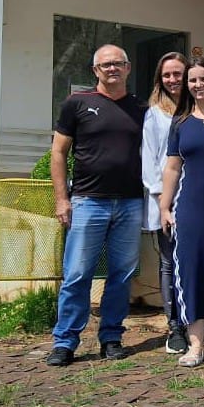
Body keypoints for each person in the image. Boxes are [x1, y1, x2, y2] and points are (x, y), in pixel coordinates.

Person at [46, 45, 147, 367]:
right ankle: (65, 342)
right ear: (95, 71)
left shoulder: (141, 108)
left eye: (118, 63)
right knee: (77, 274)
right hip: (88, 202)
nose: (112, 68)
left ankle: (111, 337)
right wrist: (62, 199)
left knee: (121, 275)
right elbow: (58, 152)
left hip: (130, 202)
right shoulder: (77, 103)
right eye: (105, 65)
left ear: (128, 68)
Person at [158, 57, 204, 367]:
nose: (198, 85)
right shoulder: (180, 122)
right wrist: (164, 206)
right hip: (189, 208)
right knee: (190, 271)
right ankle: (195, 344)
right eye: (193, 80)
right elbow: (172, 168)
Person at [140, 51, 189, 354]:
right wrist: (163, 203)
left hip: (195, 197)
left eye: (177, 74)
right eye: (167, 75)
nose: (173, 80)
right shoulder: (155, 114)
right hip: (165, 200)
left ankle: (197, 320)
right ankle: (175, 326)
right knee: (169, 262)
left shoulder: (199, 109)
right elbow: (149, 162)